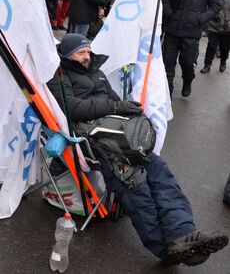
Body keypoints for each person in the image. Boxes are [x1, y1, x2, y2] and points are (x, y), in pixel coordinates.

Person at [47, 33, 228, 266]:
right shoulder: (59, 76)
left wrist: (132, 113)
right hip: (96, 143)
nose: (87, 56)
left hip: (122, 138)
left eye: (88, 51)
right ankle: (167, 250)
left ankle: (184, 234)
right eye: (81, 52)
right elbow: (72, 108)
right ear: (66, 55)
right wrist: (114, 105)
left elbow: (114, 102)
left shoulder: (97, 72)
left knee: (160, 171)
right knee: (136, 183)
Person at [161, 0, 221, 97]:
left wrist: (200, 18)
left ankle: (188, 81)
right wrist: (169, 13)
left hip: (192, 31)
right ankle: (168, 91)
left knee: (187, 63)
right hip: (173, 28)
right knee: (168, 62)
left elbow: (215, 6)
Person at [200, 0, 230, 74]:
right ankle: (207, 65)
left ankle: (223, 62)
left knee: (225, 48)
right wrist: (214, 16)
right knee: (211, 46)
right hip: (214, 25)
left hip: (228, 28)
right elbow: (211, 6)